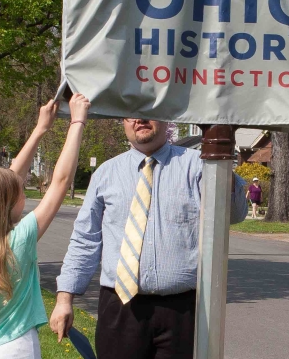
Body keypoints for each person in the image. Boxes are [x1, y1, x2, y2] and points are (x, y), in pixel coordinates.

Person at [50, 119, 248, 359]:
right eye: (131, 114)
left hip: (183, 311)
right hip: (120, 308)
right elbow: (85, 240)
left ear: (165, 118)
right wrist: (64, 299)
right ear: (123, 123)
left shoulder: (197, 166)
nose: (140, 119)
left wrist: (224, 164)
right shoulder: (106, 173)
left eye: (148, 112)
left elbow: (235, 215)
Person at [0, 94, 91, 359]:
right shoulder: (18, 241)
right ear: (2, 204)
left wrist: (41, 129)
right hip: (17, 349)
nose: (21, 191)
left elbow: (8, 180)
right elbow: (60, 182)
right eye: (17, 192)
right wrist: (77, 122)